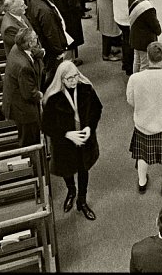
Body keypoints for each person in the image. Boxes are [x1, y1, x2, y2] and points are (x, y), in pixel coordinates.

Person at [42, 60, 102, 221]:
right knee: (67, 170)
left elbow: (97, 109)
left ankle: (82, 201)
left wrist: (90, 127)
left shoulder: (86, 89)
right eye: (69, 78)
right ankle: (71, 191)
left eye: (75, 76)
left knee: (84, 170)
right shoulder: (53, 98)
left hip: (84, 140)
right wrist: (67, 134)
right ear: (61, 80)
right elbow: (46, 126)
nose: (74, 81)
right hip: (64, 144)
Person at [127, 42, 162, 194]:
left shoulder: (135, 78)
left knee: (142, 155)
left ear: (147, 56)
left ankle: (142, 181)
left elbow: (130, 101)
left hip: (143, 125)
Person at [2, 28, 44, 146]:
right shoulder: (23, 66)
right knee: (29, 139)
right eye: (35, 38)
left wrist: (40, 52)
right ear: (30, 43)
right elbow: (29, 93)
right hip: (23, 109)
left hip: (16, 100)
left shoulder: (17, 47)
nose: (37, 39)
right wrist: (41, 95)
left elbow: (31, 52)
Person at [29, 0, 74, 75]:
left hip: (46, 44)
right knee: (53, 71)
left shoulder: (36, 0)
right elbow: (51, 33)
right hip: (50, 49)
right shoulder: (46, 12)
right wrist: (59, 51)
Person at [129, 0, 162, 73]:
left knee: (136, 60)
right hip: (144, 40)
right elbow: (155, 26)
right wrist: (159, 30)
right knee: (144, 64)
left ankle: (133, 77)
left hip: (135, 34)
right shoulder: (148, 8)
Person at [114, 0, 140, 75]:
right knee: (130, 43)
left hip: (118, 16)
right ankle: (129, 67)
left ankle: (126, 63)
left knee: (126, 40)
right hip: (126, 20)